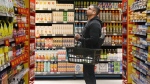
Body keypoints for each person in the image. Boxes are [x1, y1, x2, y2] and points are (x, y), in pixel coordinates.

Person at [75, 4, 102, 84]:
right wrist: (81, 37)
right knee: (87, 74)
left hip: (91, 52)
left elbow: (94, 40)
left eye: (89, 9)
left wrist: (80, 39)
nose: (87, 10)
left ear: (94, 12)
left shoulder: (95, 24)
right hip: (87, 52)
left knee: (89, 74)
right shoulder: (90, 22)